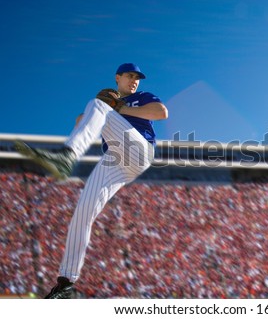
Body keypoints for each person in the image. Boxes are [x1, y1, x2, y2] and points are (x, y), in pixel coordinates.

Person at [14, 63, 168, 298]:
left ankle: (67, 156)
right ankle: (67, 283)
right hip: (114, 161)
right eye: (129, 76)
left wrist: (117, 109)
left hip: (139, 150)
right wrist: (106, 107)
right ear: (118, 78)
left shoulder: (141, 97)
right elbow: (81, 120)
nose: (134, 80)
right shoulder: (109, 104)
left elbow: (161, 112)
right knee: (83, 212)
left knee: (99, 106)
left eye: (137, 77)